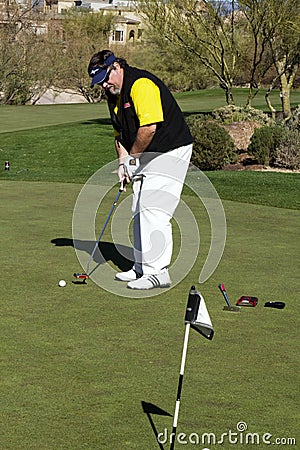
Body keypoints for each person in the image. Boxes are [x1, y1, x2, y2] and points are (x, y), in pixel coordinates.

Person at [88, 50, 193, 290]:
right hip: (147, 151)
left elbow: (149, 129)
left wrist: (133, 159)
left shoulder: (141, 84)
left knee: (153, 208)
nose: (104, 85)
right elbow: (119, 135)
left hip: (170, 149)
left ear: (116, 66)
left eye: (105, 77)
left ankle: (158, 273)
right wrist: (122, 163)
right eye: (99, 82)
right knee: (138, 207)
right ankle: (141, 266)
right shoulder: (113, 95)